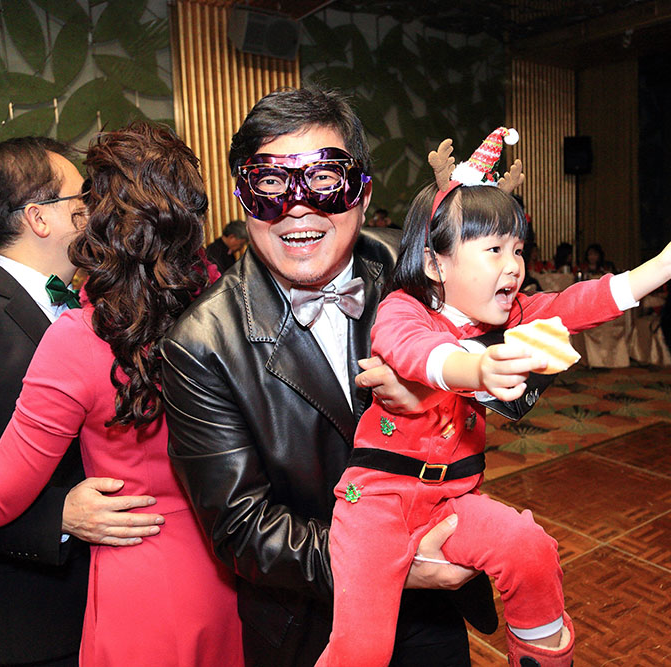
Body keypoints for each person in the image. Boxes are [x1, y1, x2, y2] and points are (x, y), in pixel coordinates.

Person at [316, 130, 671, 666]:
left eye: (518, 249)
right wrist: (477, 366)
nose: (514, 265)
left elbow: (577, 303)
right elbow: (418, 354)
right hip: (377, 504)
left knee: (529, 547)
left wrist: (663, 265)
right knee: (362, 648)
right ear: (435, 263)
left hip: (452, 499)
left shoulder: (511, 315)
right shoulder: (403, 308)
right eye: (494, 250)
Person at [159, 87, 495, 666]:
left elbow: (512, 348)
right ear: (244, 199)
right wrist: (391, 561)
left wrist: (454, 374)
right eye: (271, 184)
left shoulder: (411, 270)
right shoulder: (201, 344)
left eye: (323, 180)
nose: (297, 208)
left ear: (362, 192)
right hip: (310, 622)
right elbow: (241, 528)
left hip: (429, 614)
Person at [0, 123, 243, 665]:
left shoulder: (93, 325)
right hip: (45, 615)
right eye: (78, 200)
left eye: (91, 201)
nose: (84, 213)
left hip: (142, 587)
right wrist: (57, 516)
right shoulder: (221, 306)